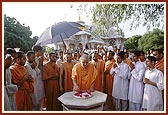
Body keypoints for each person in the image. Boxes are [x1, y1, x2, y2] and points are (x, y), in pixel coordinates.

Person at [32, 45, 45, 110]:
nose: (41, 52)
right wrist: (40, 63)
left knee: (40, 97)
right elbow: (35, 70)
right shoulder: (33, 59)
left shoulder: (38, 58)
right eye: (40, 51)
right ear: (36, 51)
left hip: (39, 79)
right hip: (36, 80)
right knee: (37, 98)